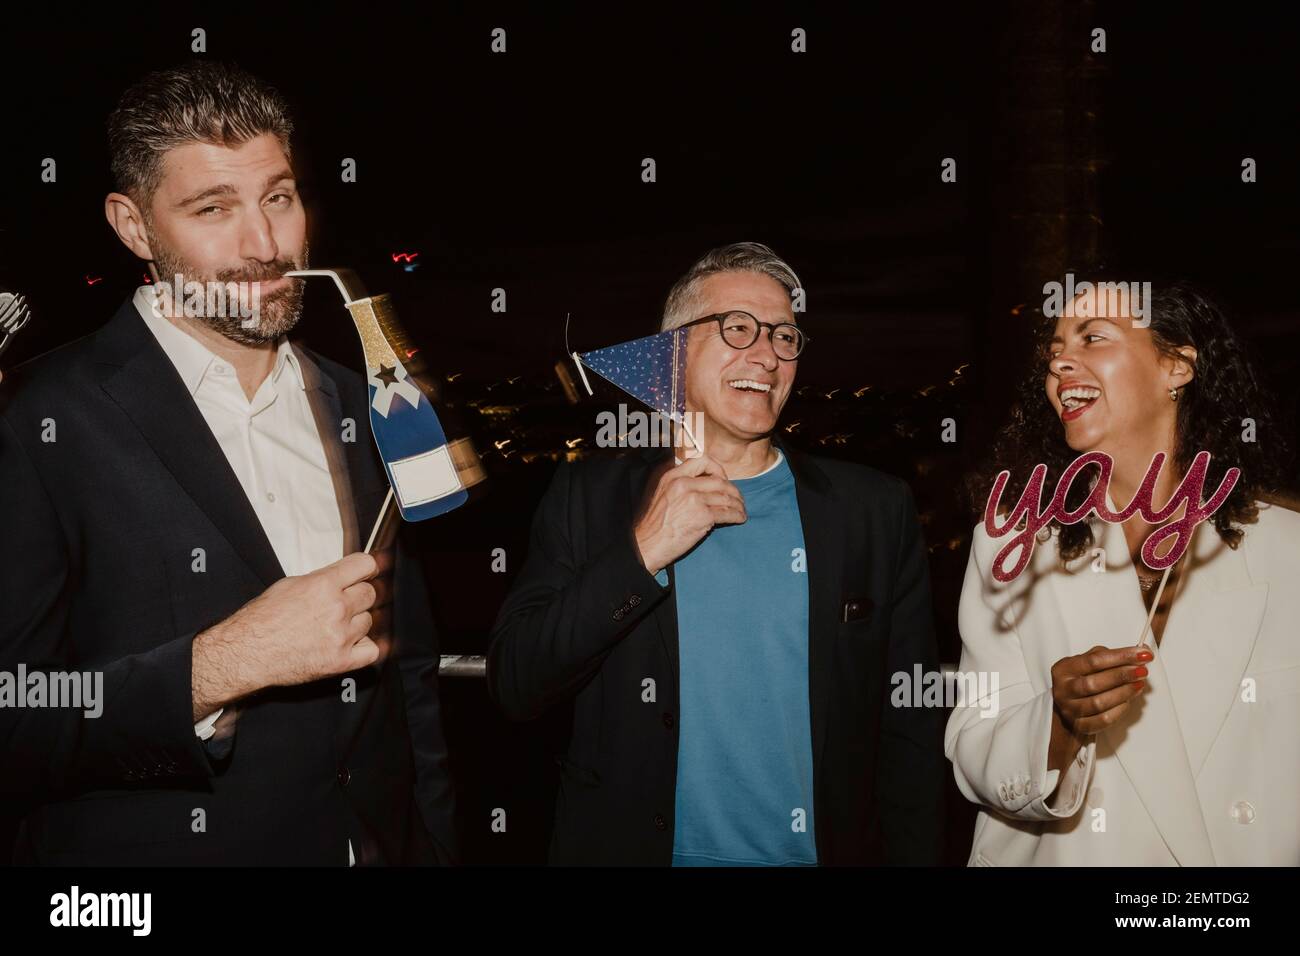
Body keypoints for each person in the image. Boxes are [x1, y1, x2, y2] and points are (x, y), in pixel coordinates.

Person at [0, 61, 456, 865]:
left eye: (278, 198)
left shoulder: (363, 402)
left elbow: (407, 676)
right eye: (213, 208)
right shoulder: (36, 419)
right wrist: (216, 669)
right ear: (135, 227)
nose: (266, 244)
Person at [488, 242, 945, 865]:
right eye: (738, 328)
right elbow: (517, 681)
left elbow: (908, 732)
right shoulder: (588, 499)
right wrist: (642, 550)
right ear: (672, 352)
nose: (767, 353)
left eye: (785, 336)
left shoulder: (872, 510)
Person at [946, 279, 1299, 865]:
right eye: (1055, 349)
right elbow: (972, 750)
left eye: (1093, 338)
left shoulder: (1285, 550)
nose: (1060, 361)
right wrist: (1055, 721)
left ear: (1177, 366)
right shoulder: (1011, 543)